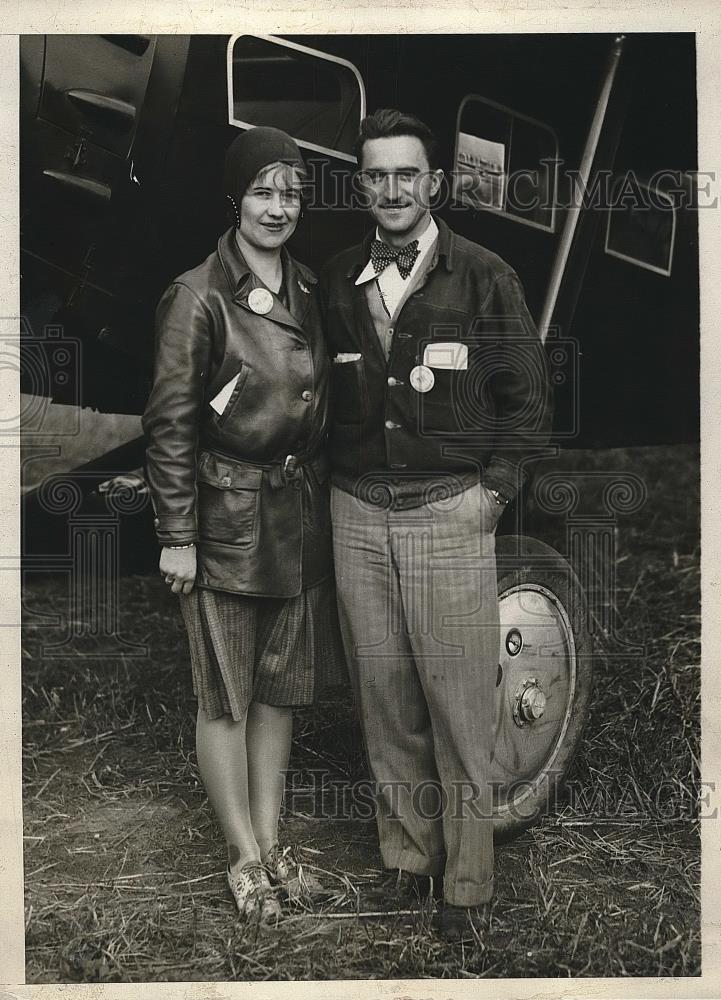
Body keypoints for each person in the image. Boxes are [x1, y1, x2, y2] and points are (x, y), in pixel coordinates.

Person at [320, 109, 553, 941]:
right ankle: (407, 862)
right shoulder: (339, 277)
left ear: (433, 185)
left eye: (405, 175)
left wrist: (490, 494)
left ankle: (466, 883)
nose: (390, 189)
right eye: (375, 175)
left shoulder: (484, 275)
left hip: (448, 515)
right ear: (361, 186)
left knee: (457, 704)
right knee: (383, 699)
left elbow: (526, 404)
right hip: (356, 516)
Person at [142, 126, 342, 926]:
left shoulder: (308, 288)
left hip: (294, 515)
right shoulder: (197, 294)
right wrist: (177, 535)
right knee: (224, 696)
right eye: (263, 191)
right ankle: (242, 860)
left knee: (277, 696)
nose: (277, 207)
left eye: (290, 193)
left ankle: (273, 843)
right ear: (236, 198)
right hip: (224, 519)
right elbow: (170, 427)